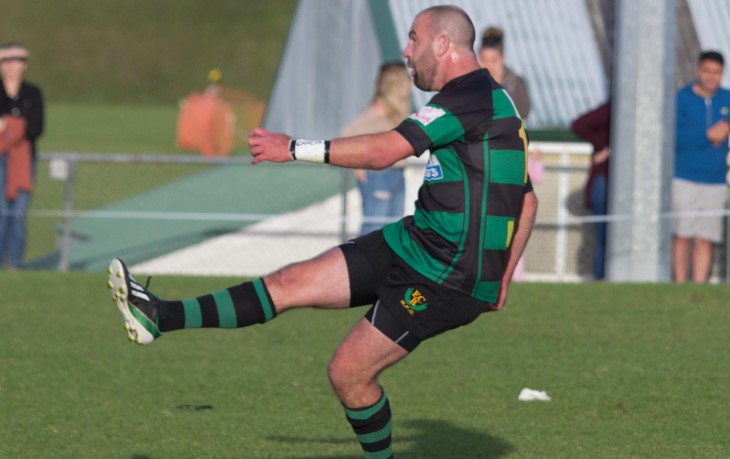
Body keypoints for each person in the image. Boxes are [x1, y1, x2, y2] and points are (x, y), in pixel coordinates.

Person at [107, 6, 538, 457]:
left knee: (348, 374)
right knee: (288, 282)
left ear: (443, 45)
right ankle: (157, 317)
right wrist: (502, 280)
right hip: (414, 243)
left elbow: (384, 151)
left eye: (414, 39)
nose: (406, 51)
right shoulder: (489, 100)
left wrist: (293, 148)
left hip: (442, 276)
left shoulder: (467, 97)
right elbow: (527, 198)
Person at [673, 50, 730, 283]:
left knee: (705, 237)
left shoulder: (727, 99)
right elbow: (676, 137)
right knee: (682, 235)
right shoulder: (681, 98)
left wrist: (725, 125)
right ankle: (678, 286)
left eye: (716, 72)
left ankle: (699, 287)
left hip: (715, 180)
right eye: (707, 71)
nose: (711, 77)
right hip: (684, 177)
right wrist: (708, 134)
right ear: (698, 70)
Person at [341, 62, 412, 235]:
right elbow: (346, 134)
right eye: (408, 80)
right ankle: (354, 262)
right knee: (373, 232)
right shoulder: (378, 111)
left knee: (394, 231)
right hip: (379, 176)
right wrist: (358, 167)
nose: (412, 85)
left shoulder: (395, 113)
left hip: (397, 174)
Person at [0, 42, 44, 270]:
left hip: (23, 161)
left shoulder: (32, 93)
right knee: (0, 213)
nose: (10, 66)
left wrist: (9, 127)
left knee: (18, 214)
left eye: (15, 61)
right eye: (5, 61)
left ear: (23, 65)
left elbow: (36, 127)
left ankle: (15, 263)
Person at [571, 100, 611, 280]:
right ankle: (600, 279)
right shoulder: (612, 108)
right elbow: (579, 125)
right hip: (604, 181)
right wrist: (604, 146)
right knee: (604, 235)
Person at [478, 26, 530, 119]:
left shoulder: (515, 84)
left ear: (502, 59)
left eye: (493, 60)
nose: (488, 66)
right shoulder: (471, 83)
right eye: (484, 60)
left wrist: (497, 86)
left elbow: (523, 113)